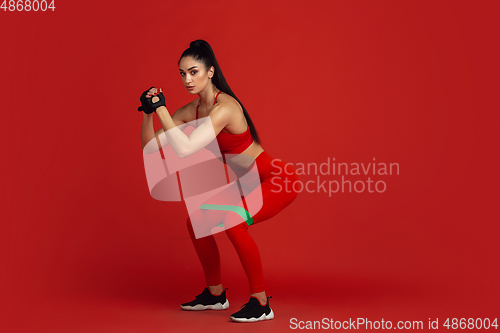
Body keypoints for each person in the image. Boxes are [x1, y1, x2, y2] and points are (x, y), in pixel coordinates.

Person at [139, 39, 300, 323]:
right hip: (249, 183)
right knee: (196, 221)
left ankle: (261, 303)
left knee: (233, 223)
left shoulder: (225, 107)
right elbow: (151, 147)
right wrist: (149, 114)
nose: (187, 79)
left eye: (194, 72)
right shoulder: (193, 111)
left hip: (276, 178)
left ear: (210, 72)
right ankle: (215, 295)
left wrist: (163, 110)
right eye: (182, 74)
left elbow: (185, 148)